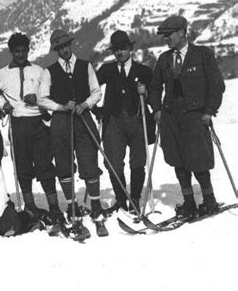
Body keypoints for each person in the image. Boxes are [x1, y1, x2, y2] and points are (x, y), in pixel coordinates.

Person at [0, 33, 63, 226]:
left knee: (44, 164)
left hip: (38, 122)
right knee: (22, 165)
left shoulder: (39, 70)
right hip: (18, 124)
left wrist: (38, 99)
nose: (21, 54)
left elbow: (50, 93)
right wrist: (2, 104)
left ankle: (54, 207)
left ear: (28, 50)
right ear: (11, 52)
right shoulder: (2, 74)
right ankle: (30, 206)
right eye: (17, 51)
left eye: (24, 50)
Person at [149, 15, 225, 217]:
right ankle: (189, 202)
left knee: (198, 159)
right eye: (165, 36)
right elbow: (154, 88)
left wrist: (209, 111)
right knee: (177, 160)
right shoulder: (164, 59)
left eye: (170, 35)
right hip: (170, 117)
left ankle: (210, 201)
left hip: (195, 115)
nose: (167, 39)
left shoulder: (202, 55)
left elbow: (216, 85)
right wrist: (157, 110)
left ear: (182, 32)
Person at [38, 29, 105, 224]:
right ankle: (71, 205)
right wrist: (60, 107)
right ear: (55, 50)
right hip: (61, 121)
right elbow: (42, 99)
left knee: (89, 160)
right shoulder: (49, 71)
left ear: (71, 45)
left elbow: (96, 92)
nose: (64, 49)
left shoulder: (85, 66)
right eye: (60, 47)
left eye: (66, 45)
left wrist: (85, 104)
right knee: (64, 163)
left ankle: (96, 205)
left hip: (83, 118)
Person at [96, 30, 154, 213]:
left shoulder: (143, 71)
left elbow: (155, 96)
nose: (119, 52)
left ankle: (134, 199)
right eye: (116, 49)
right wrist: (97, 109)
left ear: (130, 48)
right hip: (113, 122)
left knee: (138, 161)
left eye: (123, 48)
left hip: (137, 120)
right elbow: (92, 89)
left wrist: (145, 92)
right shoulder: (106, 70)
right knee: (114, 161)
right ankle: (122, 200)